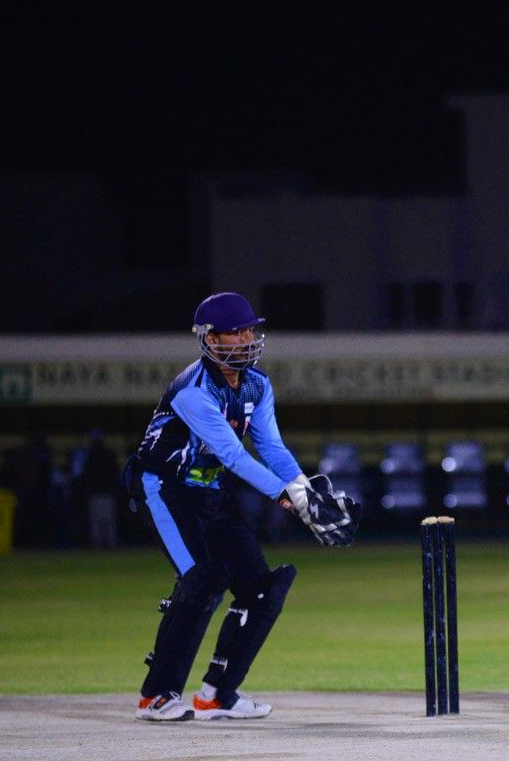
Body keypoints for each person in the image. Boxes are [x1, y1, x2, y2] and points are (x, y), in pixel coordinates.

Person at [124, 291, 360, 722]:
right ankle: (155, 696)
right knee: (201, 580)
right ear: (210, 339)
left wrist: (304, 490)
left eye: (250, 329)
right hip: (162, 488)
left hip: (209, 493)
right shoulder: (192, 391)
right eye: (236, 332)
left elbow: (271, 447)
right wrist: (288, 498)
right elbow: (233, 456)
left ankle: (217, 695)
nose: (247, 338)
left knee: (263, 587)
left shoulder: (257, 384)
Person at [71, 428, 121, 548]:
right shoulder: (107, 454)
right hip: (104, 493)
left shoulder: (90, 455)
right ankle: (108, 544)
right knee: (107, 521)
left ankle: (99, 544)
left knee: (97, 522)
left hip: (98, 493)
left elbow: (84, 475)